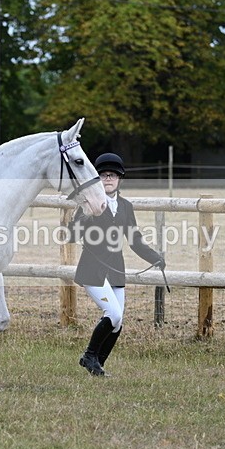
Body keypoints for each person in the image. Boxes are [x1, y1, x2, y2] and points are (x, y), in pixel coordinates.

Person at [68, 152, 165, 376]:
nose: (108, 179)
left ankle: (97, 364)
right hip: (92, 268)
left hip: (116, 270)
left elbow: (134, 240)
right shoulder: (87, 203)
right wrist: (86, 217)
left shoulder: (126, 206)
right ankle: (89, 356)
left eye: (112, 175)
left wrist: (155, 257)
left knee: (118, 322)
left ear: (119, 178)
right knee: (113, 314)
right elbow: (71, 235)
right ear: (97, 179)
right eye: (103, 175)